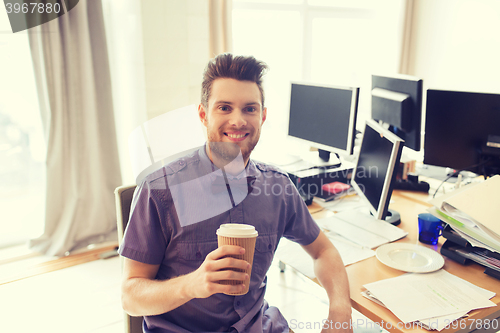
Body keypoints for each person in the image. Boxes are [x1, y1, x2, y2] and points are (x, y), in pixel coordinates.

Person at [119, 53, 353, 333]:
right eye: (225, 108)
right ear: (204, 114)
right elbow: (130, 296)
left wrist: (340, 311)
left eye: (250, 109)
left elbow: (324, 251)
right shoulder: (159, 191)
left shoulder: (278, 188)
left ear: (263, 116)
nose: (238, 120)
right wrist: (191, 285)